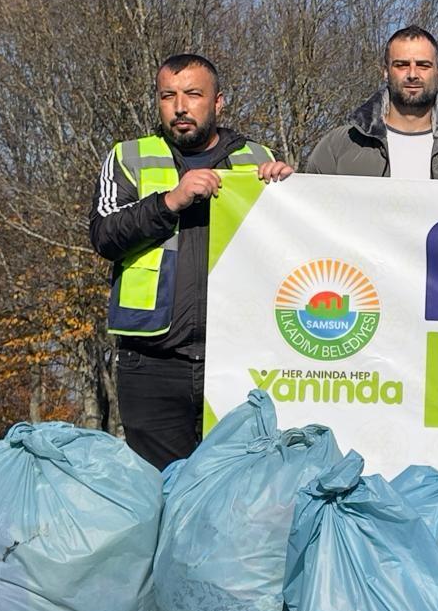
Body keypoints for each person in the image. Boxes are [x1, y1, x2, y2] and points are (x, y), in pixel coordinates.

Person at [90, 54, 293, 469]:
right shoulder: (128, 156)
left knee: (237, 491)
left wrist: (289, 193)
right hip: (151, 361)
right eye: (168, 96)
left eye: (193, 94)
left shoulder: (258, 158)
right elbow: (105, 235)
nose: (180, 107)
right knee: (159, 492)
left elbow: (289, 252)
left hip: (240, 361)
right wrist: (170, 201)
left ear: (218, 102)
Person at [303, 25, 438, 180]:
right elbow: (304, 206)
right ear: (385, 72)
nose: (412, 74)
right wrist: (286, 185)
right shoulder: (340, 145)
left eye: (423, 65)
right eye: (402, 65)